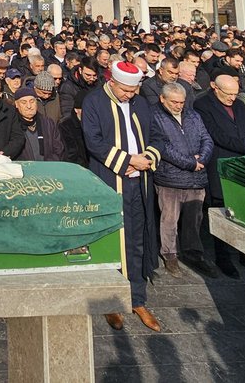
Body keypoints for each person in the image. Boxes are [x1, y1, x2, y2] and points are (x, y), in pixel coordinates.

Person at [82, 61, 163, 332]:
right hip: (110, 180)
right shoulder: (94, 101)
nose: (130, 95)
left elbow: (157, 137)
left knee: (137, 239)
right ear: (113, 83)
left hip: (139, 182)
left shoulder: (141, 103)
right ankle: (111, 301)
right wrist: (127, 160)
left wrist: (146, 159)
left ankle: (137, 298)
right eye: (126, 90)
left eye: (134, 90)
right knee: (112, 240)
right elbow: (94, 141)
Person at [150, 82, 217, 279]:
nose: (179, 106)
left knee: (194, 218)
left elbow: (207, 139)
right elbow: (162, 146)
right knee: (169, 219)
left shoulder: (192, 115)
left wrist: (202, 160)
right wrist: (190, 163)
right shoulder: (155, 116)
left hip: (196, 178)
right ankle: (169, 253)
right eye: (174, 102)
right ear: (163, 99)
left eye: (182, 102)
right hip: (170, 177)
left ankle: (193, 251)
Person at [194, 74, 245, 277]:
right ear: (214, 87)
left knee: (243, 208)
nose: (232, 98)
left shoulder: (238, 104)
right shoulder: (202, 105)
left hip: (240, 162)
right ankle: (223, 256)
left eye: (235, 94)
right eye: (227, 94)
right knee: (220, 209)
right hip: (219, 162)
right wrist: (243, 145)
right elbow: (213, 133)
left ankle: (243, 253)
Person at [13, 84, 64, 161]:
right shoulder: (12, 125)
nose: (29, 106)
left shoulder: (48, 123)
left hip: (48, 169)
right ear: (17, 104)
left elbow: (58, 148)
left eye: (32, 101)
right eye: (24, 102)